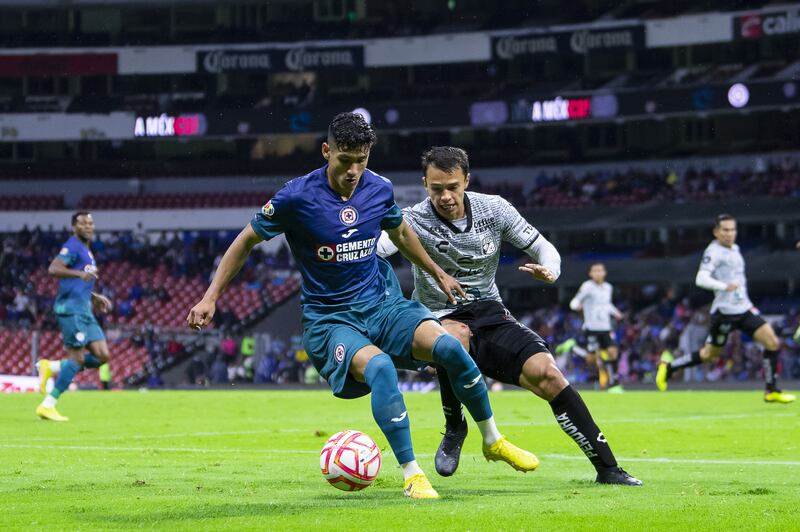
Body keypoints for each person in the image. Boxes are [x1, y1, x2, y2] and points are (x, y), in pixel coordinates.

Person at [186, 113, 538, 499]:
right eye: (345, 160)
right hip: (331, 319)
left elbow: (401, 232)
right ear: (327, 151)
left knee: (450, 347)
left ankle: (492, 440)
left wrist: (437, 272)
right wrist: (211, 296)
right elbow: (245, 241)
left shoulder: (379, 189)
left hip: (383, 305)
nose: (354, 170)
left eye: (362, 159)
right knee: (381, 367)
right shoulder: (296, 196)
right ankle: (413, 475)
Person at [377, 146, 641, 486]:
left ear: (466, 181)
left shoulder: (495, 209)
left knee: (548, 374)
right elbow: (377, 248)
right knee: (451, 338)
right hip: (439, 314)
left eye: (452, 187)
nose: (445, 196)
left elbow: (543, 247)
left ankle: (608, 468)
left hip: (490, 312)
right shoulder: (411, 219)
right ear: (424, 184)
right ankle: (455, 425)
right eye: (436, 188)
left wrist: (551, 270)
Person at [656, 214, 795, 403]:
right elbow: (701, 278)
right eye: (725, 230)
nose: (730, 234)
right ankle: (669, 367)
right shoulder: (713, 252)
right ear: (716, 232)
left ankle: (771, 391)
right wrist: (723, 286)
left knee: (772, 342)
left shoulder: (735, 249)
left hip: (744, 310)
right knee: (708, 355)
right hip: (724, 314)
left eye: (732, 229)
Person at [35, 212, 114, 421]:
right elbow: (54, 268)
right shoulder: (72, 245)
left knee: (102, 356)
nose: (88, 226)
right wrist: (80, 274)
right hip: (70, 309)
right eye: (83, 223)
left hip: (84, 308)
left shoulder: (86, 251)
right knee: (77, 358)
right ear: (74, 227)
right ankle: (48, 404)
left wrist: (94, 296)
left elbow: (81, 280)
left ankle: (50, 366)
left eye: (90, 223)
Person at [569, 263, 625, 393]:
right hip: (591, 328)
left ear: (604, 273)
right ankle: (574, 348)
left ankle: (613, 383)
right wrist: (576, 306)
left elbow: (607, 304)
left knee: (613, 352)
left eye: (600, 271)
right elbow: (576, 300)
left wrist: (617, 313)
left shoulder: (608, 287)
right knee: (592, 360)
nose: (598, 273)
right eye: (595, 271)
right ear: (591, 274)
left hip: (605, 327)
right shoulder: (587, 286)